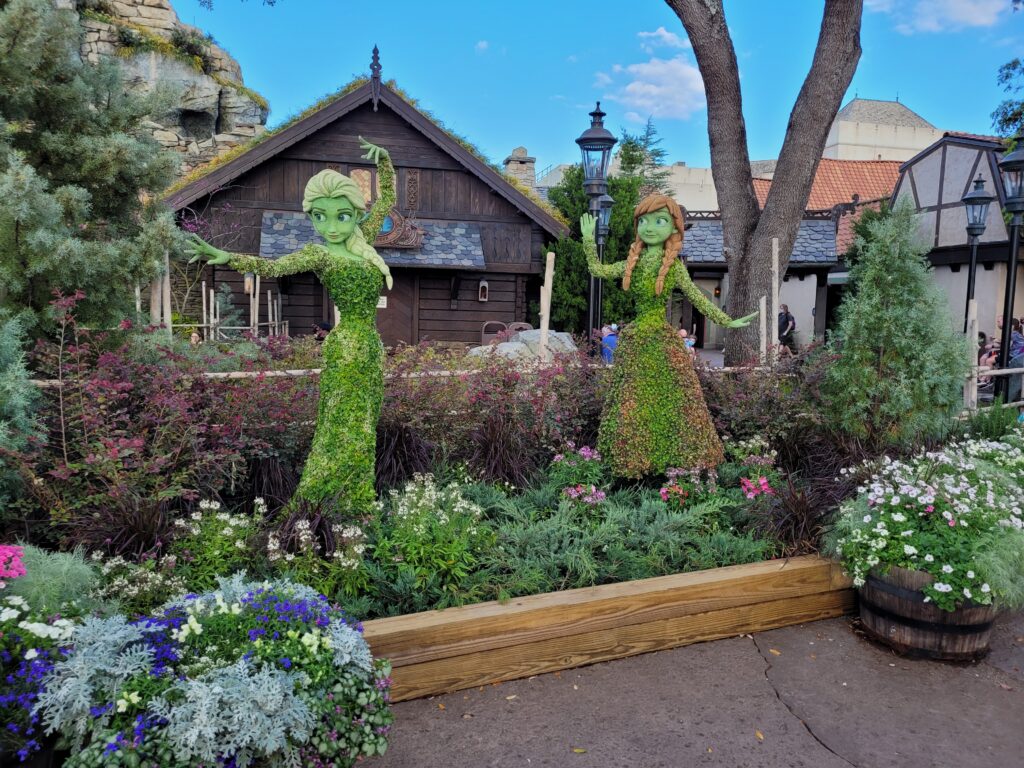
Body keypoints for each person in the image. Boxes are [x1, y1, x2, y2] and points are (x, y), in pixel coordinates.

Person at [188, 137, 395, 515]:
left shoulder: (362, 242)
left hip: (370, 346)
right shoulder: (318, 253)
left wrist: (384, 162)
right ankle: (325, 505)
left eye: (341, 216)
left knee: (364, 426)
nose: (331, 225)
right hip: (347, 346)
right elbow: (272, 266)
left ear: (355, 216)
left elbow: (386, 202)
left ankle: (356, 500)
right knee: (341, 426)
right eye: (320, 216)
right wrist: (225, 256)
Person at [582, 194, 755, 478]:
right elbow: (598, 269)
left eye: (659, 221)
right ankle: (633, 461)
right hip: (637, 342)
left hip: (660, 342)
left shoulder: (672, 267)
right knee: (632, 399)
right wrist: (589, 240)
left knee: (675, 398)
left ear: (674, 229)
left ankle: (678, 461)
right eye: (644, 222)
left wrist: (727, 321)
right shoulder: (632, 264)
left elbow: (697, 297)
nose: (649, 228)